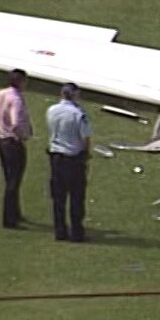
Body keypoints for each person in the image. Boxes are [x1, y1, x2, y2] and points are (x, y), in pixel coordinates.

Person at [0, 69, 32, 229]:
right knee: (14, 181)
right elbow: (16, 121)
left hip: (2, 141)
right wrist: (21, 136)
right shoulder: (16, 99)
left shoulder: (1, 93)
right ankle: (9, 219)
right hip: (13, 143)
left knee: (10, 179)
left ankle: (15, 213)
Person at [46, 83, 92, 242]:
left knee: (58, 197)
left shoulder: (51, 110)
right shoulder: (78, 114)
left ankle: (60, 231)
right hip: (73, 158)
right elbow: (85, 137)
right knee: (76, 197)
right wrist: (86, 154)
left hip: (56, 157)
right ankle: (77, 232)